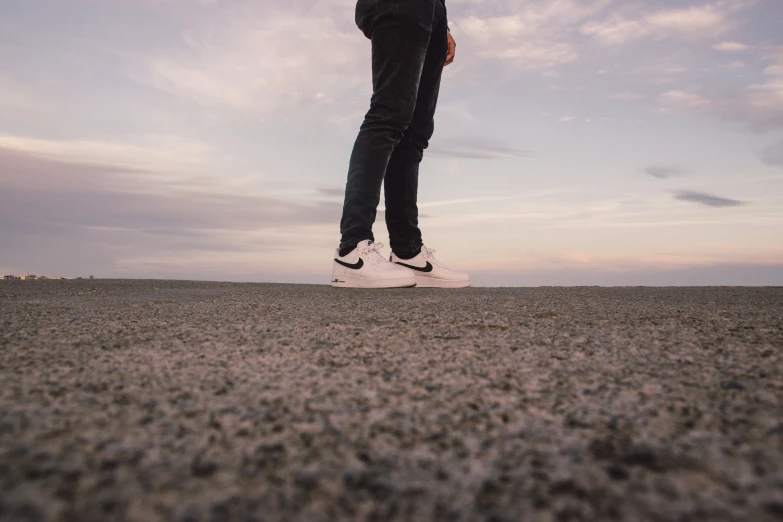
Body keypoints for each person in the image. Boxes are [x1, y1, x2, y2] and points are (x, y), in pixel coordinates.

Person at [332, 0, 471, 289]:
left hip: (433, 11)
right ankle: (351, 250)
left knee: (415, 134)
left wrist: (440, 21)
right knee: (388, 116)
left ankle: (408, 253)